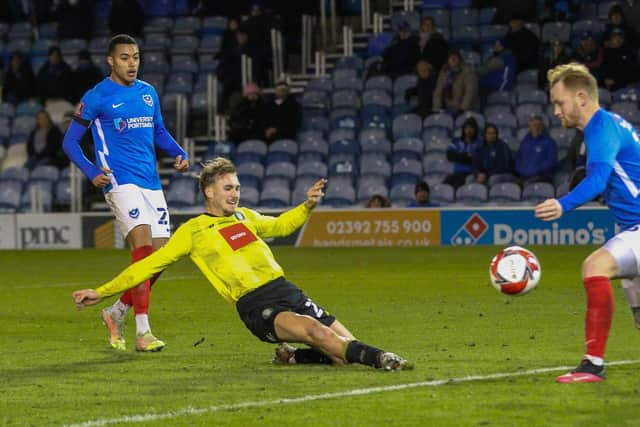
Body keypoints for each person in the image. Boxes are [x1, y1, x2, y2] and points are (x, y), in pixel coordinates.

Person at [72, 157, 413, 371]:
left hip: (288, 291)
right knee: (317, 332)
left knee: (341, 352)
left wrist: (306, 206)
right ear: (208, 191)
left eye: (236, 187)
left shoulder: (245, 216)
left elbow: (280, 226)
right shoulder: (193, 231)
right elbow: (145, 267)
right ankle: (383, 358)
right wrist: (102, 292)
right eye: (227, 188)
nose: (234, 194)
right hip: (256, 304)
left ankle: (294, 357)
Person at [62, 34, 190, 352]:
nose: (131, 63)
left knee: (159, 260)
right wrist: (92, 172)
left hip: (151, 182)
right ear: (110, 60)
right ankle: (143, 333)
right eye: (124, 57)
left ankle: (116, 311)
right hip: (120, 182)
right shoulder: (97, 96)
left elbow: (158, 130)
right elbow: (70, 142)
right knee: (144, 251)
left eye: (135, 57)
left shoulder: (148, 93)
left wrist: (177, 152)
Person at [534, 62, 640, 383]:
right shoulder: (606, 126)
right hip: (630, 227)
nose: (555, 111)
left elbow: (598, 179)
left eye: (559, 102)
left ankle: (592, 364)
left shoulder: (601, 128)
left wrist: (562, 205)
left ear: (581, 97)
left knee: (594, 267)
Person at [432, 50, 480, 115]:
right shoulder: (444, 72)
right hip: (450, 108)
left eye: (455, 57)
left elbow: (470, 93)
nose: (453, 59)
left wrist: (462, 109)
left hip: (468, 109)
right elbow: (438, 92)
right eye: (450, 58)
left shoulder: (468, 71)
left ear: (460, 59)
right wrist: (436, 109)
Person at [514, 115, 558, 185]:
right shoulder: (525, 142)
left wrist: (534, 171)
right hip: (524, 176)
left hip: (542, 176)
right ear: (530, 127)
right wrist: (521, 170)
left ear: (543, 126)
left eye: (539, 125)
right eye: (534, 125)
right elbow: (518, 159)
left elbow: (551, 162)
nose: (537, 127)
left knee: (526, 184)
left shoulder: (550, 142)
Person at [444, 116, 481, 188]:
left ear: (475, 130)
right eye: (467, 128)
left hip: (470, 174)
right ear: (463, 129)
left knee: (456, 187)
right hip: (456, 173)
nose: (469, 130)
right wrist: (466, 156)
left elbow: (476, 160)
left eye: (471, 128)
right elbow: (449, 156)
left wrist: (459, 156)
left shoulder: (479, 143)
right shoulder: (456, 141)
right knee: (444, 187)